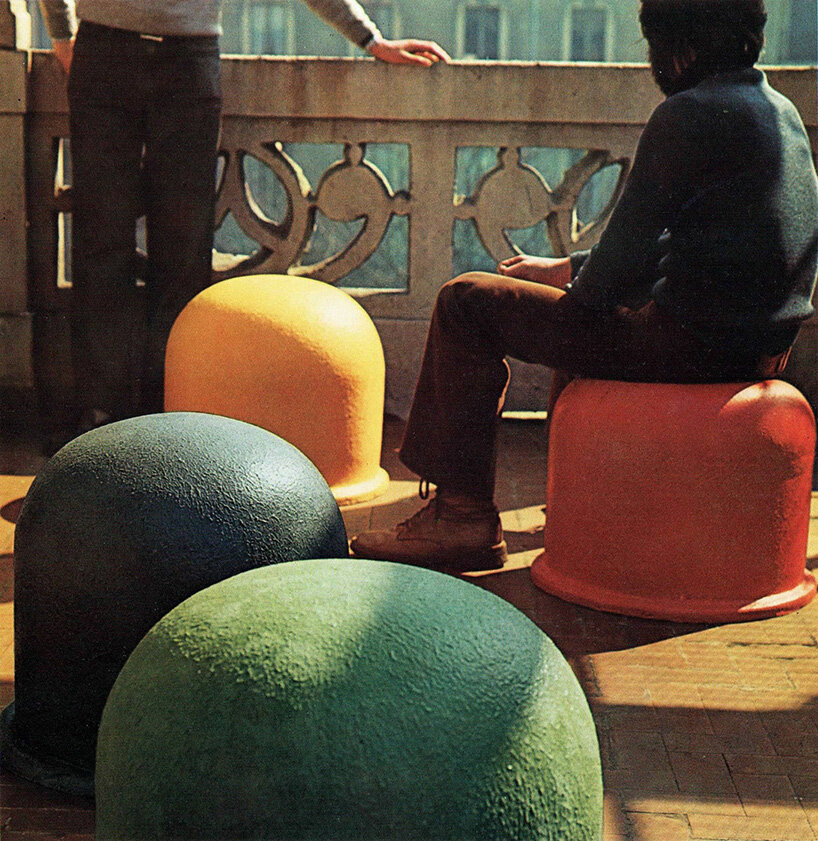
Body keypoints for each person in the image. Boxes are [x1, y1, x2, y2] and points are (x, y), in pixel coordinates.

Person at [351, 0, 818, 570]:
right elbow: (703, 248)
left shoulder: (687, 115)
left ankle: (460, 517)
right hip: (762, 353)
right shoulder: (778, 110)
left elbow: (608, 282)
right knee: (577, 317)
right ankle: (574, 500)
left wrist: (573, 282)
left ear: (678, 48)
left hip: (690, 351)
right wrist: (565, 269)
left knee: (466, 303)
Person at [37, 0, 450, 442]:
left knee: (183, 251)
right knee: (101, 241)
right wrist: (62, 35)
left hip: (187, 59)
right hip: (105, 52)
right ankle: (100, 419)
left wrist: (370, 39)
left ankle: (167, 418)